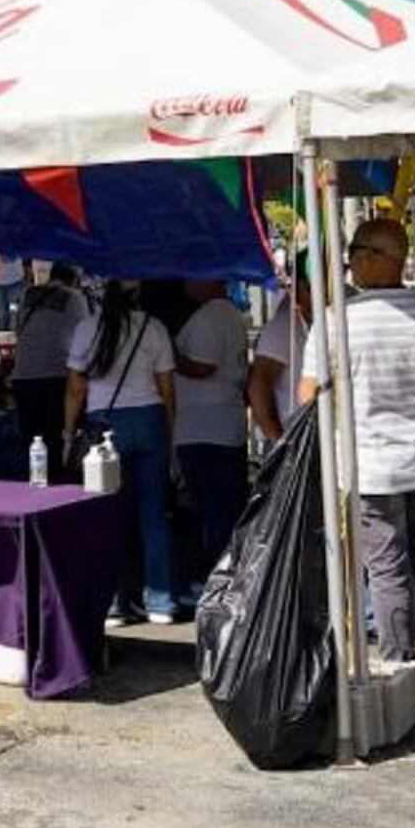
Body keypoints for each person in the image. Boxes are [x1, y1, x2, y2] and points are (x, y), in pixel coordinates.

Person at [298, 218, 415, 700]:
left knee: (387, 568)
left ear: (377, 257)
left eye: (354, 249)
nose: (349, 259)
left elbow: (307, 395)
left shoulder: (337, 321)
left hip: (370, 464)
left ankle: (401, 673)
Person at [65, 281, 179, 622]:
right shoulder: (154, 328)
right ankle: (161, 601)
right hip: (149, 420)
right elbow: (168, 390)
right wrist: (169, 432)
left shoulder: (87, 329)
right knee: (154, 515)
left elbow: (74, 388)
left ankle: (113, 602)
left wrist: (68, 435)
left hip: (102, 425)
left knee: (107, 515)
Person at [172, 278, 251, 572]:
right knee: (224, 504)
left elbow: (203, 366)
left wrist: (171, 356)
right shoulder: (228, 314)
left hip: (204, 427)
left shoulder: (212, 316)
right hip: (221, 423)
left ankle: (218, 572)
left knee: (211, 507)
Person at [10, 265, 90, 462]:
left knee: (32, 441)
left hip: (23, 375)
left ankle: (35, 482)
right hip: (56, 375)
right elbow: (87, 335)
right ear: (74, 281)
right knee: (55, 439)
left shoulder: (29, 294)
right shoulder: (75, 297)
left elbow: (18, 330)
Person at [246, 266, 312, 446]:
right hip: (292, 438)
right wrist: (280, 443)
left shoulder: (308, 321)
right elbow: (258, 387)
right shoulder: (284, 326)